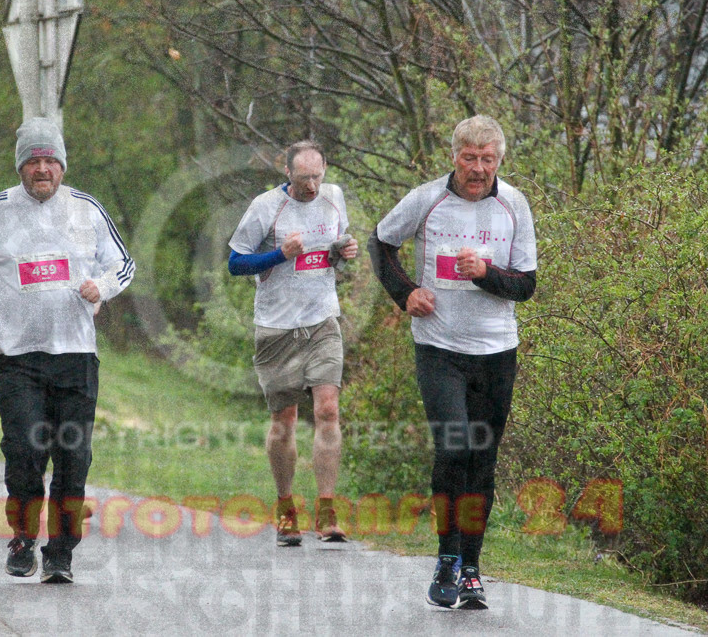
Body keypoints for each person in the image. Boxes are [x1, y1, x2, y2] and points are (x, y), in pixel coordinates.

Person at [368, 115, 537, 610]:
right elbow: (380, 243)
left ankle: (471, 571)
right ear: (454, 157)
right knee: (455, 446)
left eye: (487, 159)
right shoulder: (427, 200)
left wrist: (486, 273)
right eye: (470, 158)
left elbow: (526, 286)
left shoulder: (515, 205)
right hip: (439, 349)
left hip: (496, 351)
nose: (478, 169)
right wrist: (405, 293)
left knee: (482, 459)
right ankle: (447, 556)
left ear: (499, 161)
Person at [0, 117, 134, 584]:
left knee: (74, 459)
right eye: (33, 160)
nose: (42, 169)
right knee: (23, 451)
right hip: (17, 356)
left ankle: (61, 552)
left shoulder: (86, 209)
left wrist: (103, 286)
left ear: (62, 165)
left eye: (50, 160)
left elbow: (124, 265)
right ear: (20, 167)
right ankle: (22, 536)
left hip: (75, 353)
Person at [228, 140, 359, 547]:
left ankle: (327, 510)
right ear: (288, 173)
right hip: (277, 327)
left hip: (322, 318)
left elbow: (332, 253)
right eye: (304, 178)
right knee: (284, 421)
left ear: (325, 171)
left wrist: (343, 251)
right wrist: (279, 255)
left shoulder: (333, 198)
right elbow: (235, 262)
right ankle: (286, 508)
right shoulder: (266, 207)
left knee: (328, 409)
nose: (312, 186)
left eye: (317, 176)